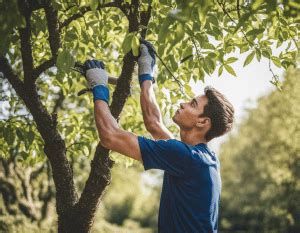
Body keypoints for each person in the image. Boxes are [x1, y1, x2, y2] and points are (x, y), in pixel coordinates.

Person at [83, 40, 234, 233]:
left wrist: (99, 88)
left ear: (202, 122)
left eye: (192, 104)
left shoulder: (188, 157)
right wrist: (146, 71)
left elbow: (110, 136)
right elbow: (154, 124)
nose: (183, 103)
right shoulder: (202, 158)